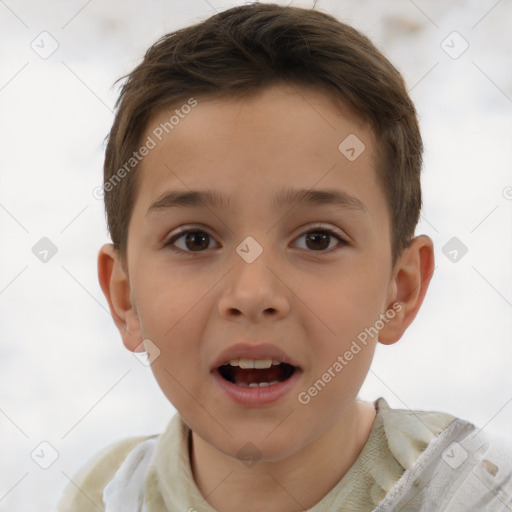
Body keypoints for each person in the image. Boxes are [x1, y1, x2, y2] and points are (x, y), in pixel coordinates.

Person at [58, 3, 512, 511]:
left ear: (400, 289)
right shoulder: (103, 493)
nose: (253, 295)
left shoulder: (479, 496)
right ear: (124, 299)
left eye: (318, 239)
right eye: (194, 241)